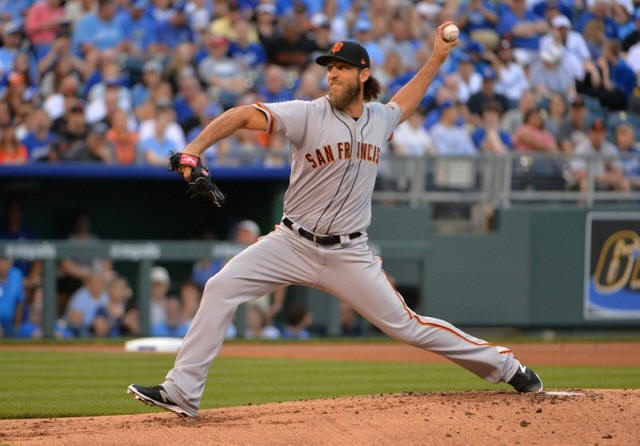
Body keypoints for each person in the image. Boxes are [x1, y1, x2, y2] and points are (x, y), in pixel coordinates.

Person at [128, 24, 543, 418]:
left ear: (363, 75)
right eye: (330, 67)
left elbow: (406, 102)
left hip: (349, 253)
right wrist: (194, 148)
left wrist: (436, 59)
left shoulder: (379, 119)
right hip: (291, 243)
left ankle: (506, 366)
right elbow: (242, 115)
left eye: (342, 68)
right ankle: (182, 390)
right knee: (220, 287)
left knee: (408, 326)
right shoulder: (306, 114)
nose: (333, 74)